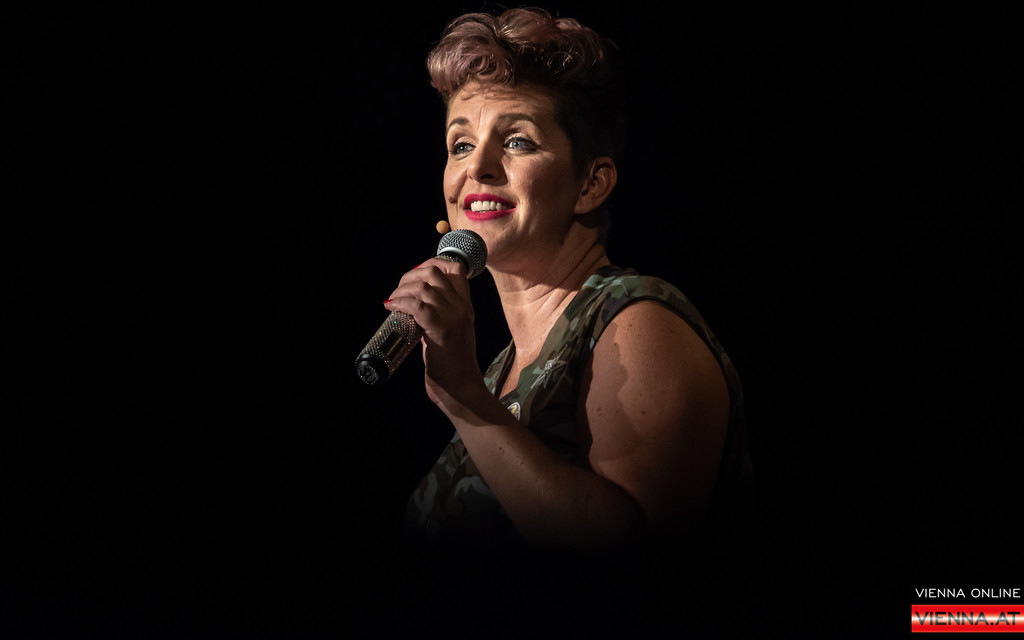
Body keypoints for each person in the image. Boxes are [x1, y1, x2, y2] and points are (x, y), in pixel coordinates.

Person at [386, 8, 752, 556]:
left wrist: (463, 398)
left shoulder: (637, 322)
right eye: (460, 145)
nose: (477, 167)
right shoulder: (499, 370)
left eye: (517, 142)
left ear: (590, 184)